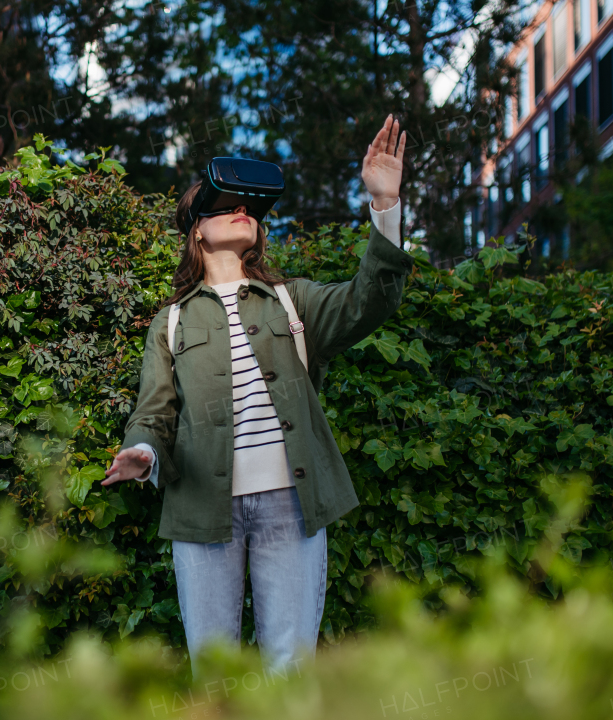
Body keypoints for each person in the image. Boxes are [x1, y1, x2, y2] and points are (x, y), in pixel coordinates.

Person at [101, 115, 415, 676]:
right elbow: (153, 413)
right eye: (223, 204)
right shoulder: (169, 322)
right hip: (201, 511)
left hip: (291, 506)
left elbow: (373, 300)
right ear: (197, 228)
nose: (239, 208)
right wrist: (143, 453)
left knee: (288, 670)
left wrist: (384, 205)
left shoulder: (294, 302)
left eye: (247, 204)